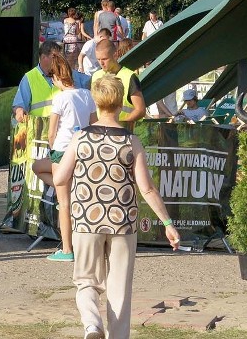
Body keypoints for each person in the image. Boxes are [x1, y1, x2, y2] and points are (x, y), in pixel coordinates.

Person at [53, 74, 179, 339]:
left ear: (96, 102)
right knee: (119, 287)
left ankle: (92, 325)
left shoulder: (80, 139)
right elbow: (146, 188)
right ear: (121, 103)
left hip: (87, 221)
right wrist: (167, 223)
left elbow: (60, 178)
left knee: (86, 281)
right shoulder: (131, 142)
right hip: (123, 223)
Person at [31, 52, 96, 262]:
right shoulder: (87, 95)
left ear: (56, 77)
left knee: (64, 203)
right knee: (39, 168)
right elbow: (94, 124)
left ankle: (67, 249)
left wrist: (52, 150)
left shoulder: (60, 98)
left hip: (62, 150)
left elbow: (52, 132)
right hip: (83, 150)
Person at [13, 41, 91, 124]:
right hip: (39, 131)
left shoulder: (67, 73)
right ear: (43, 57)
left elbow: (90, 82)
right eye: (55, 57)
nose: (59, 60)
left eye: (60, 57)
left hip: (64, 130)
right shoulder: (29, 78)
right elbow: (19, 104)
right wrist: (19, 111)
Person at [92, 39, 146, 129]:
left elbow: (140, 110)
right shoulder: (96, 76)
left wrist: (119, 126)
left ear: (115, 55)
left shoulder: (129, 76)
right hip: (103, 130)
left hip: (124, 132)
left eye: (105, 59)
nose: (101, 63)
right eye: (98, 59)